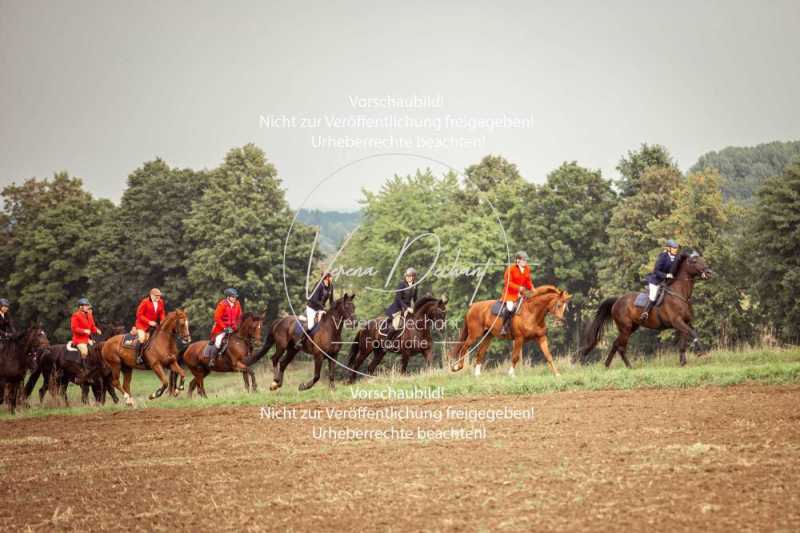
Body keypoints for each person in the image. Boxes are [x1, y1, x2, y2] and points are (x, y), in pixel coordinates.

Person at [640, 239, 680, 322]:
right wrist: (666, 275)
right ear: (669, 248)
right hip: (656, 280)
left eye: (676, 248)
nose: (676, 250)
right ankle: (645, 313)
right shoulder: (663, 256)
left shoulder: (676, 257)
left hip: (667, 281)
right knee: (653, 296)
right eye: (674, 248)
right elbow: (656, 271)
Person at [295, 272, 334, 350]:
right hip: (312, 308)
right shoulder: (318, 285)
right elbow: (314, 299)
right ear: (326, 278)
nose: (332, 278)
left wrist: (333, 308)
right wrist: (323, 308)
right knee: (310, 325)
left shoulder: (331, 286)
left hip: (321, 309)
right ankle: (300, 341)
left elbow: (331, 300)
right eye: (331, 277)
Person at [499, 251, 535, 335]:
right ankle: (504, 327)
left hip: (521, 294)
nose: (526, 262)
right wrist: (519, 288)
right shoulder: (510, 269)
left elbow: (528, 281)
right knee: (510, 308)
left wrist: (533, 289)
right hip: (510, 294)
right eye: (524, 260)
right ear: (518, 261)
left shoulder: (527, 269)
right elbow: (508, 283)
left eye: (526, 260)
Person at [208, 288, 242, 367]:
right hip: (221, 328)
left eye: (235, 297)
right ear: (228, 297)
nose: (235, 298)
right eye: (233, 297)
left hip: (233, 327)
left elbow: (239, 316)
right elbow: (217, 318)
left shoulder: (237, 304)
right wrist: (224, 328)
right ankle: (212, 359)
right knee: (218, 340)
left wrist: (237, 326)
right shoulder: (222, 304)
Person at [382, 267, 418, 336]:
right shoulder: (401, 284)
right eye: (409, 276)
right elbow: (398, 299)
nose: (411, 278)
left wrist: (416, 308)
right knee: (397, 325)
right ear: (406, 276)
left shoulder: (415, 286)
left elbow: (415, 299)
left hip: (408, 309)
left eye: (413, 276)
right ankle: (387, 342)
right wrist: (407, 308)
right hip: (397, 308)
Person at [133, 288, 165, 364]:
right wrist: (149, 322)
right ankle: (138, 357)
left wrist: (162, 320)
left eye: (159, 296)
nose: (158, 298)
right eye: (156, 296)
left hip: (153, 325)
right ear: (151, 295)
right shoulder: (145, 302)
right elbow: (139, 315)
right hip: (142, 325)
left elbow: (162, 312)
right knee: (142, 339)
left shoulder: (161, 302)